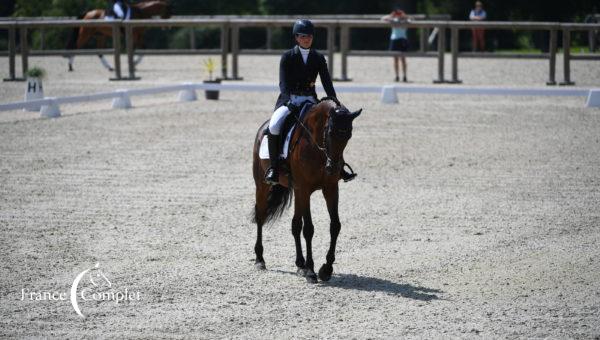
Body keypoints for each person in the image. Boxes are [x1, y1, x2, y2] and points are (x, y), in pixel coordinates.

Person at [264, 19, 357, 185]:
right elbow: (283, 83)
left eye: (309, 36)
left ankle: (340, 167)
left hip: (310, 100)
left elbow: (327, 82)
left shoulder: (318, 58)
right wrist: (287, 102)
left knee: (333, 129)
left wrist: (335, 102)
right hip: (290, 99)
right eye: (303, 36)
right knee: (274, 125)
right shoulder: (287, 57)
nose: (307, 39)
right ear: (297, 38)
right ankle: (274, 167)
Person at [382, 8, 410, 82]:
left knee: (403, 59)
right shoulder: (393, 20)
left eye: (399, 13)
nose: (398, 15)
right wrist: (391, 15)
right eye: (397, 14)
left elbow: (411, 20)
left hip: (402, 39)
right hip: (394, 39)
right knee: (395, 60)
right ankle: (397, 76)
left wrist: (404, 15)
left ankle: (404, 76)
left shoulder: (405, 20)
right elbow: (382, 19)